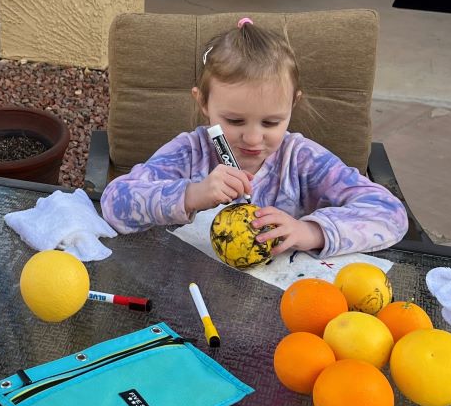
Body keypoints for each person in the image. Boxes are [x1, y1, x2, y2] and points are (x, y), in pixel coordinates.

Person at [101, 18, 408, 259]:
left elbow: (390, 214)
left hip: (288, 304)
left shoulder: (301, 159)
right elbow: (114, 203)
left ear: (293, 106)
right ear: (204, 104)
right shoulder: (190, 152)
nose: (252, 137)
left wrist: (309, 231)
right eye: (234, 120)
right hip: (194, 290)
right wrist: (191, 194)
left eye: (271, 122)